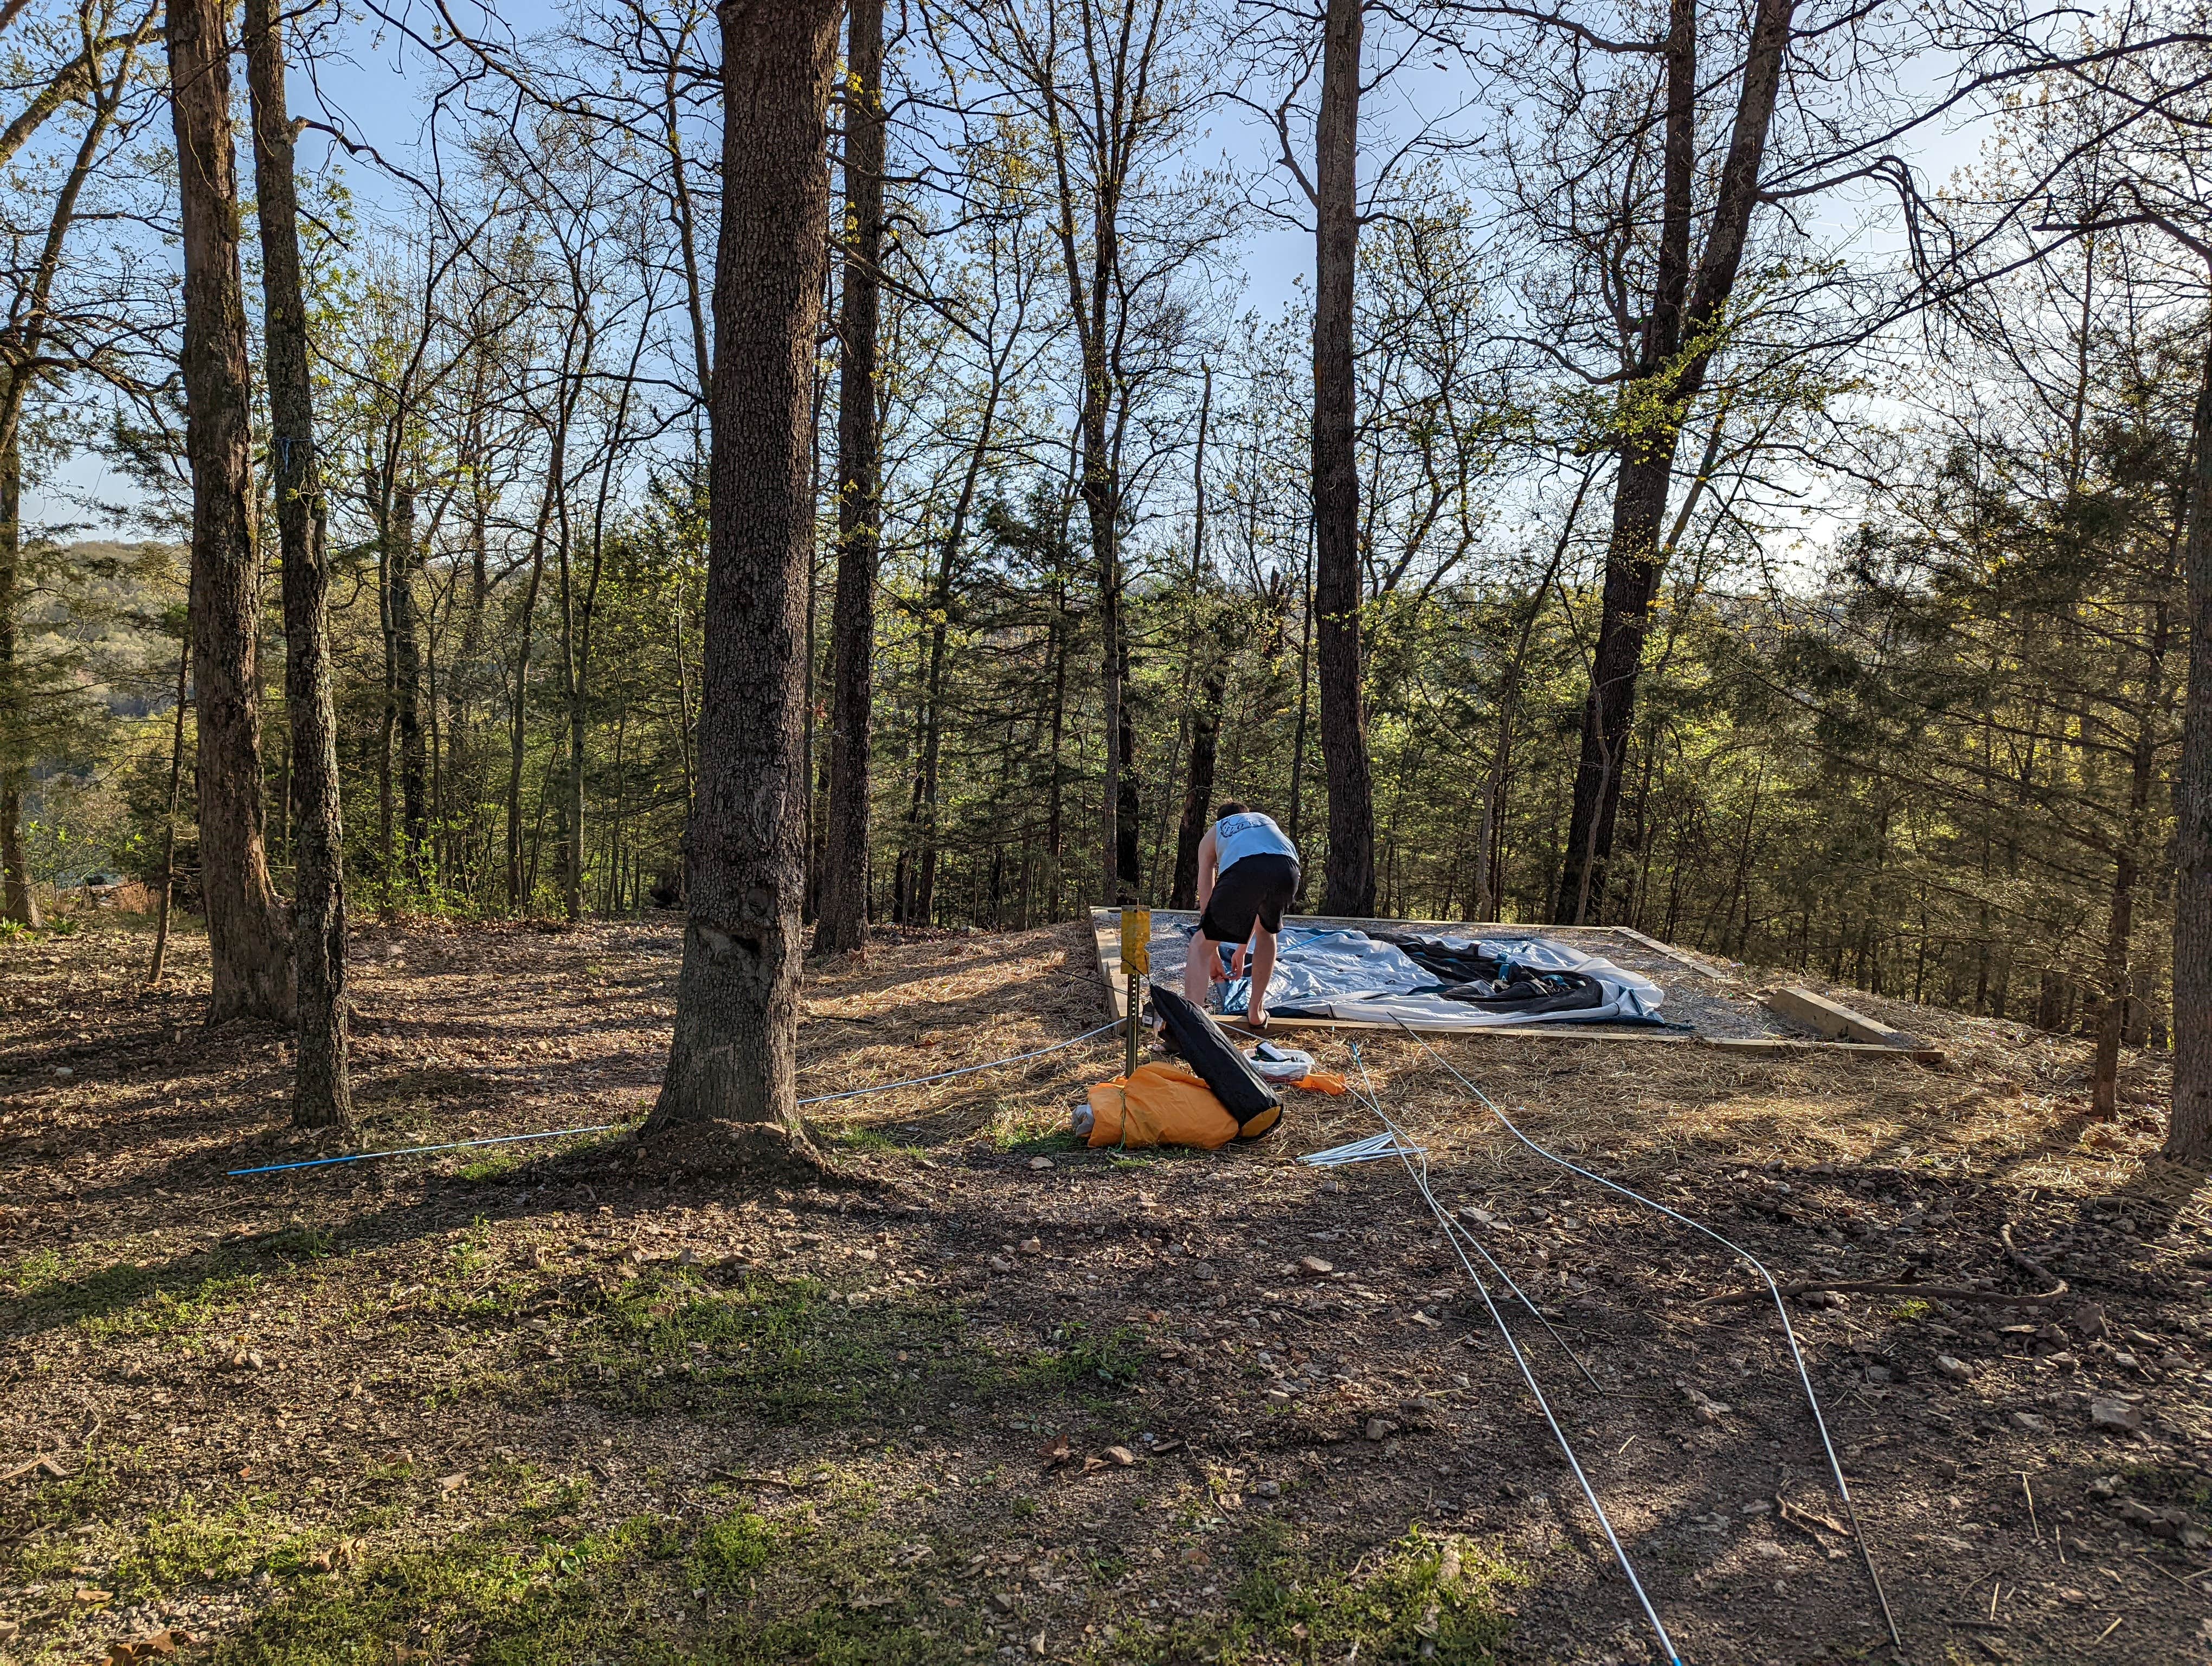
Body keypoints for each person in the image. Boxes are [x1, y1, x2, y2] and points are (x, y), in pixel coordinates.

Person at [1183, 800, 1301, 1027]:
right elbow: (1256, 899)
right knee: (1267, 933)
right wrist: (1242, 946)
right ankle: (1256, 1013)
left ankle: (1191, 1028)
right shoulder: (1264, 822)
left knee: (1199, 946)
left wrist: (1211, 946)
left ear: (1221, 819)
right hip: (1287, 868)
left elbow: (1206, 884)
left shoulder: (1217, 830)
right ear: (1247, 814)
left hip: (1245, 869)